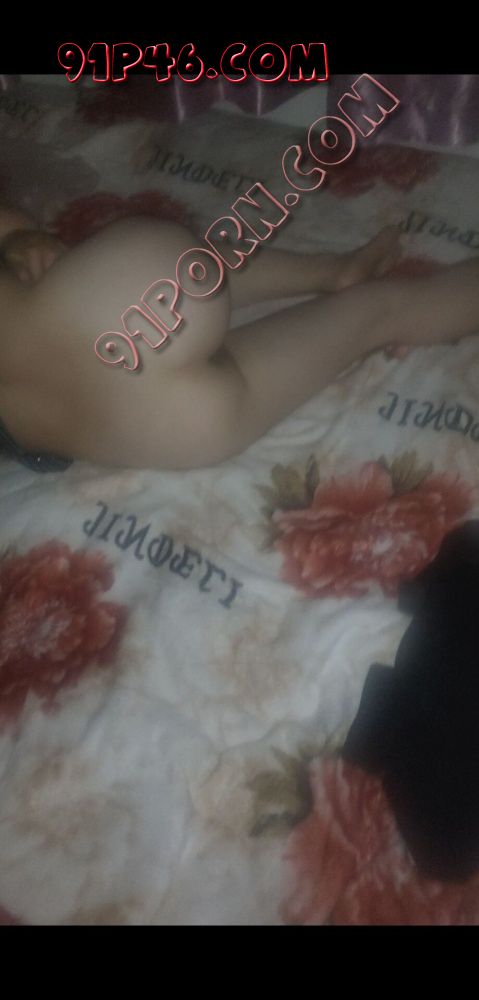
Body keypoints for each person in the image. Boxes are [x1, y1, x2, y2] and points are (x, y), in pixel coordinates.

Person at [0, 204, 477, 473]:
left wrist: (17, 242)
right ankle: (331, 270)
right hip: (120, 297)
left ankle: (335, 273)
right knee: (196, 270)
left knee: (379, 312)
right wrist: (17, 238)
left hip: (156, 432)